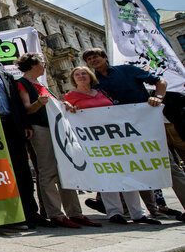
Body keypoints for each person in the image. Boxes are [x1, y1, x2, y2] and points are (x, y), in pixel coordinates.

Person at [82, 48, 184, 221]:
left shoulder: (127, 70)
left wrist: (158, 97)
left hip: (144, 125)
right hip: (119, 133)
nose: (93, 61)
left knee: (168, 166)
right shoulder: (93, 82)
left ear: (105, 58)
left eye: (96, 57)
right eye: (89, 59)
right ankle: (136, 211)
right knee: (129, 169)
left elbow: (160, 82)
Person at [62, 66, 160, 225]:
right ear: (73, 80)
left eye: (84, 74)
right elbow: (66, 112)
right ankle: (114, 212)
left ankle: (138, 213)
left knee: (128, 173)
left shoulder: (102, 92)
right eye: (77, 75)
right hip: (95, 142)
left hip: (116, 139)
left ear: (90, 77)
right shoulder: (70, 96)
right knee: (106, 174)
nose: (81, 76)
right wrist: (68, 107)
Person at [16, 52, 101, 228]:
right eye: (41, 63)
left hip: (58, 130)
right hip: (40, 128)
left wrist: (65, 105)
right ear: (33, 65)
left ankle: (75, 212)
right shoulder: (22, 83)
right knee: (47, 170)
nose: (44, 66)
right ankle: (55, 213)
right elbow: (27, 109)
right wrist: (39, 102)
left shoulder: (41, 84)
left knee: (66, 168)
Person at [0, 45, 45, 228]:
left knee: (21, 169)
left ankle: (30, 212)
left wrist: (25, 125)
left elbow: (17, 103)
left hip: (12, 126)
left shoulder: (6, 76)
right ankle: (4, 215)